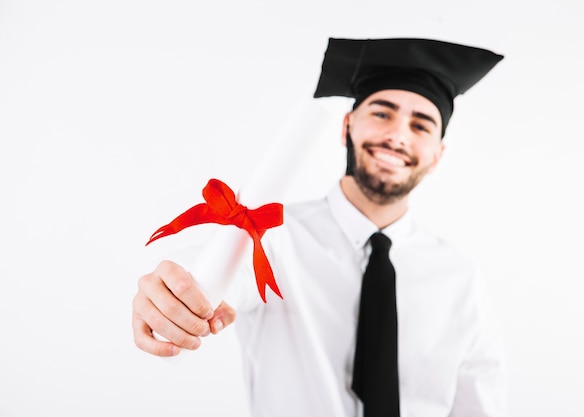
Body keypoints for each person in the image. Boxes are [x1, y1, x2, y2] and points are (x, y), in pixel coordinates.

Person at [132, 37, 507, 416]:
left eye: (421, 125)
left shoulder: (460, 279)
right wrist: (173, 290)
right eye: (382, 113)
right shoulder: (274, 240)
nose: (397, 135)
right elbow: (221, 273)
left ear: (437, 155)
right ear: (347, 127)